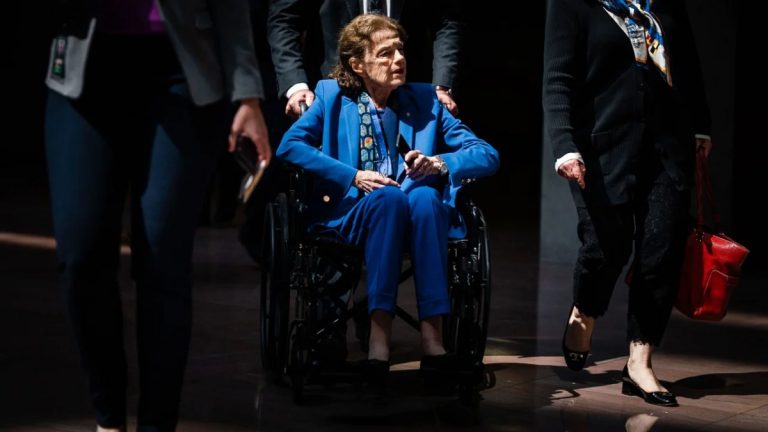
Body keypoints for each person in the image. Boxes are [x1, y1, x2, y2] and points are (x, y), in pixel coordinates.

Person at [43, 1, 270, 430]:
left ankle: (156, 425)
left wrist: (247, 94)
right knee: (80, 257)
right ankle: (108, 419)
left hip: (181, 71)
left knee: (162, 259)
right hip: (85, 67)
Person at [276, 14, 498, 383]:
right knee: (389, 200)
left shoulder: (425, 100)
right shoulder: (330, 96)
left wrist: (440, 162)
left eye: (400, 50)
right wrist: (353, 176)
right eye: (385, 53)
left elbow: (487, 154)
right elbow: (290, 146)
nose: (399, 59)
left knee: (425, 198)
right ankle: (379, 341)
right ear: (357, 64)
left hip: (417, 217)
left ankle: (434, 342)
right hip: (353, 212)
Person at [543, 0, 712, 407]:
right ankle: (585, 309)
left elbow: (688, 66)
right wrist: (564, 145)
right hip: (602, 150)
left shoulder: (667, 4)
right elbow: (558, 78)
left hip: (667, 147)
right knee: (607, 246)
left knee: (661, 250)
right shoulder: (573, 5)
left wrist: (701, 127)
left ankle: (639, 361)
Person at [268, 0, 463, 118]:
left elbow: (446, 20)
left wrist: (441, 86)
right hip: (332, 93)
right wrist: (296, 87)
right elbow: (285, 21)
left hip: (410, 96)